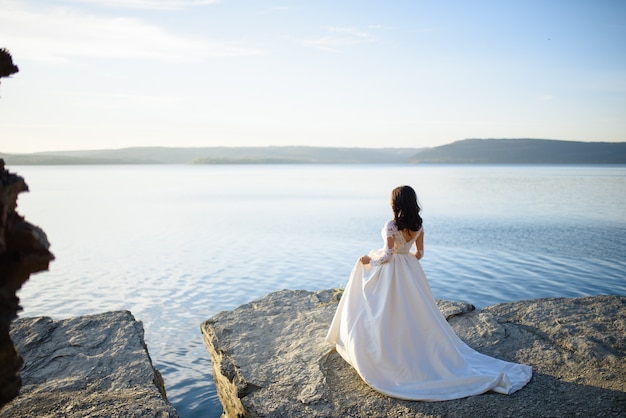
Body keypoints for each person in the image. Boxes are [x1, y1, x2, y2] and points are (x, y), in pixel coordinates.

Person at [326, 185, 532, 401]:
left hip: (392, 269)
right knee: (414, 308)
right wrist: (407, 264)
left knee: (371, 285)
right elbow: (420, 253)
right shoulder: (419, 225)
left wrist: (370, 260)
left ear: (395, 203)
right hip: (410, 269)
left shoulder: (391, 225)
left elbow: (387, 255)